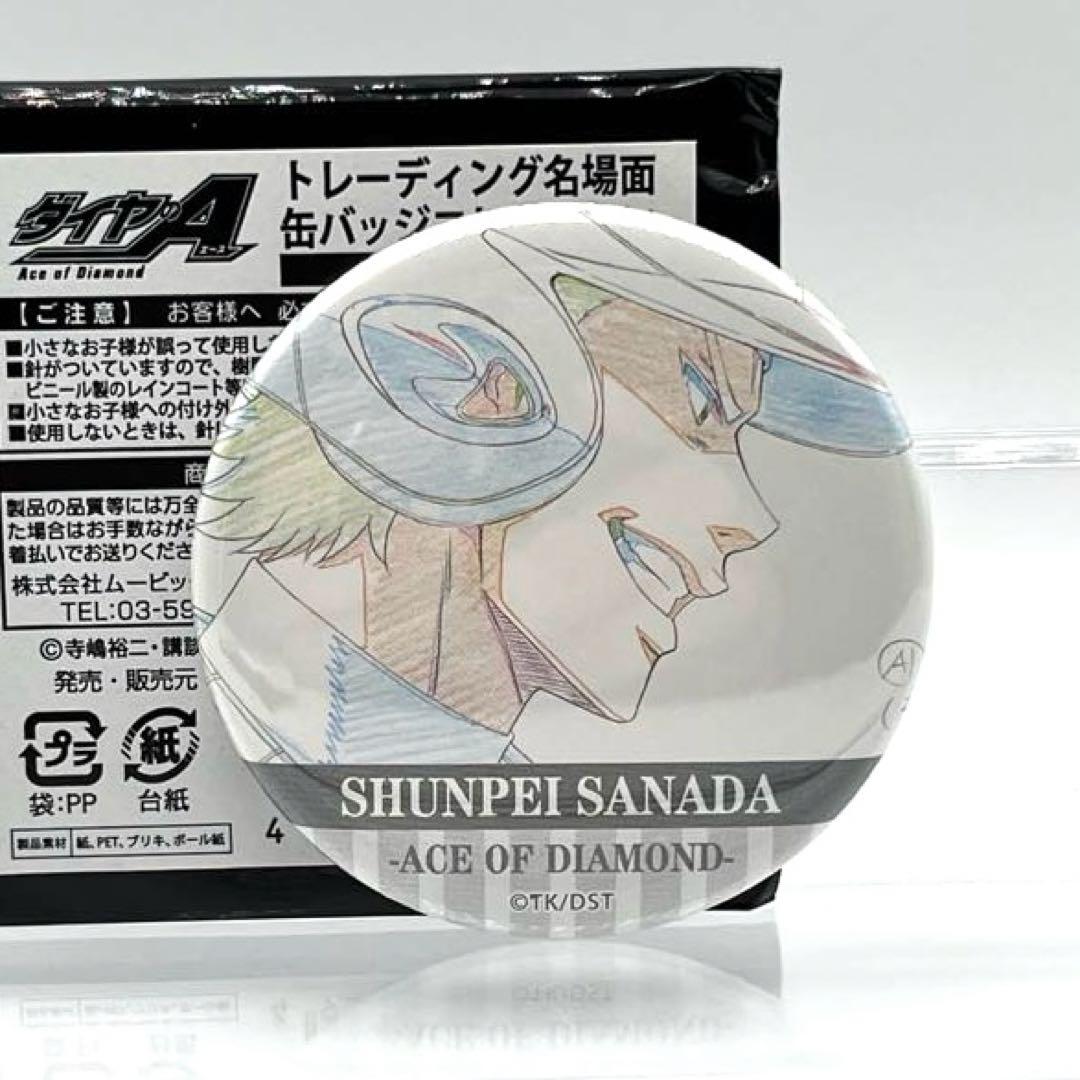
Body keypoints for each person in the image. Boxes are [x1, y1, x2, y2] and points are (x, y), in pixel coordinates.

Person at [194, 209, 908, 765]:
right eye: (700, 400)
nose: (753, 522)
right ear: (483, 390)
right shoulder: (290, 719)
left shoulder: (430, 799)